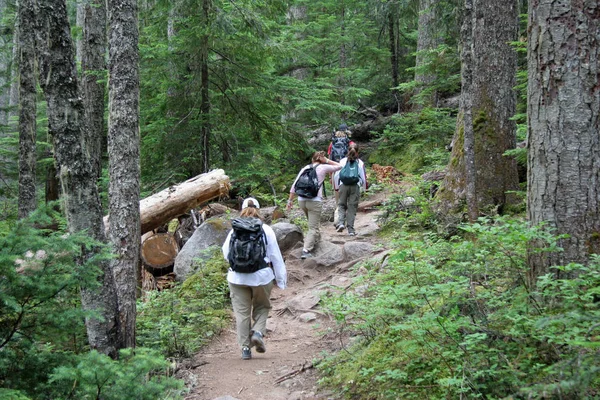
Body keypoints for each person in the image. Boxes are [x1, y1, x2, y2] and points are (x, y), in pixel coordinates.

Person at [222, 197, 287, 360]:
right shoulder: (266, 229)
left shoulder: (234, 230)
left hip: (236, 278)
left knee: (242, 314)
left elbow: (226, 254)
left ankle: (245, 349)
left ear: (242, 209)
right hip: (261, 276)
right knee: (262, 307)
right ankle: (257, 332)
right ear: (258, 210)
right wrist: (281, 280)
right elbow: (275, 257)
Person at [287, 151, 342, 259]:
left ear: (312, 159)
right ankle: (306, 250)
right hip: (314, 201)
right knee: (313, 227)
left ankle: (317, 241)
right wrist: (326, 160)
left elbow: (294, 185)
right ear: (321, 159)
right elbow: (340, 166)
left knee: (313, 224)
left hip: (301, 200)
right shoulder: (324, 167)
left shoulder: (305, 168)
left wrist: (290, 201)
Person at [333, 143, 368, 236]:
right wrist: (365, 188)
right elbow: (363, 177)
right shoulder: (360, 163)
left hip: (343, 185)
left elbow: (336, 175)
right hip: (354, 186)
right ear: (357, 152)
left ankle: (340, 223)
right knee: (352, 207)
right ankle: (351, 230)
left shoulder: (342, 161)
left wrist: (336, 186)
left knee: (341, 205)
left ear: (348, 151)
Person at [327, 124, 355, 227]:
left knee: (338, 199)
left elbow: (329, 160)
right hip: (348, 172)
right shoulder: (351, 143)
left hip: (336, 172)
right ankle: (345, 221)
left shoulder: (332, 143)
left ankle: (338, 220)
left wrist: (331, 176)